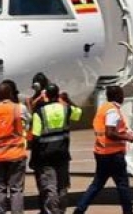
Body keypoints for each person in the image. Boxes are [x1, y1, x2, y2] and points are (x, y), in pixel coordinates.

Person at [73, 85, 133, 214]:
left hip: (102, 152)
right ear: (118, 96)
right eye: (122, 94)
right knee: (122, 185)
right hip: (113, 155)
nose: (123, 97)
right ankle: (128, 212)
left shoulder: (103, 108)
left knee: (97, 184)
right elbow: (110, 133)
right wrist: (127, 137)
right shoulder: (112, 111)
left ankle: (79, 209)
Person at [32, 84, 82, 214]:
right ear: (58, 94)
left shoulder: (40, 112)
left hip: (46, 155)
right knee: (62, 185)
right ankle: (61, 210)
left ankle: (53, 211)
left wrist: (35, 158)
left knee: (50, 186)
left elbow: (35, 137)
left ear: (46, 96)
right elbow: (78, 113)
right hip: (63, 153)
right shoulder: (66, 109)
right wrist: (67, 99)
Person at [0, 81, 28, 214]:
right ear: (10, 93)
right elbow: (27, 125)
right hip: (16, 154)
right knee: (16, 189)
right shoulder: (19, 108)